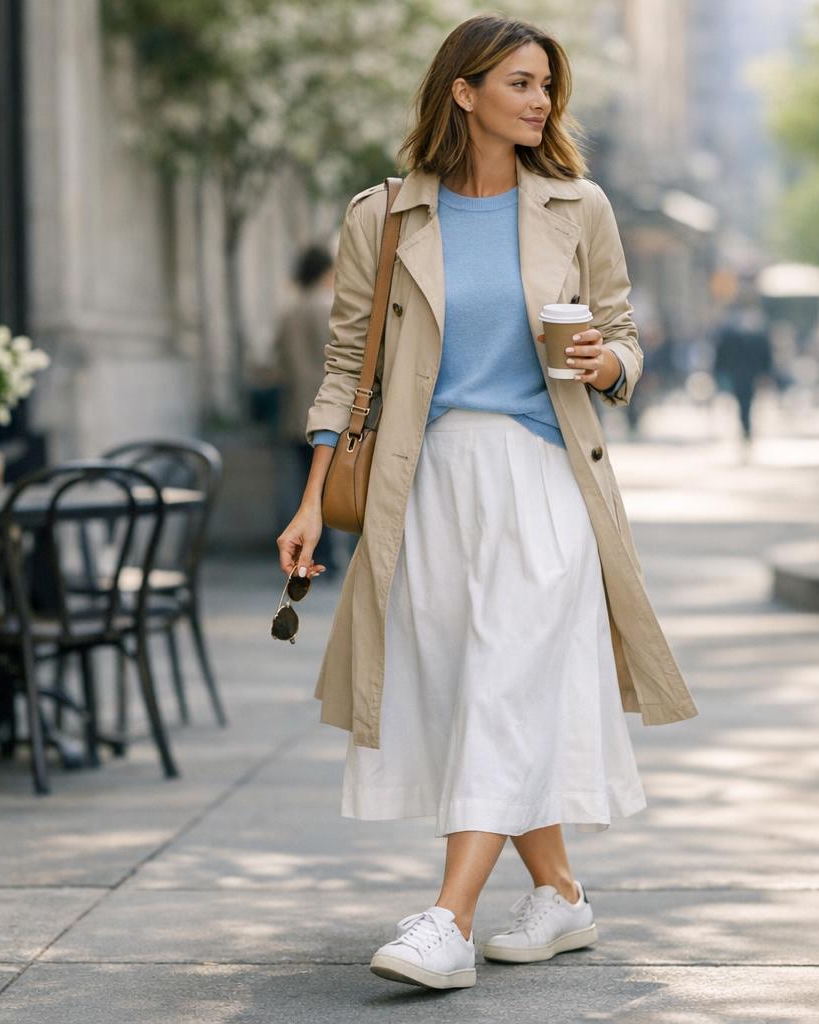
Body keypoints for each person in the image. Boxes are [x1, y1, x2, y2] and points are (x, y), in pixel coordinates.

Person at [274, 14, 699, 992]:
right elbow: (348, 366)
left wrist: (608, 360)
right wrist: (309, 501)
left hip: (545, 476)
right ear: (462, 90)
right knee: (474, 688)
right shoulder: (382, 216)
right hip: (423, 486)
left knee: (503, 680)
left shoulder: (577, 205)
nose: (542, 100)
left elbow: (628, 334)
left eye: (548, 84)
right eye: (519, 81)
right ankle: (562, 894)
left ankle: (447, 920)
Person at [271, 244, 354, 570]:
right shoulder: (326, 307)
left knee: (302, 485)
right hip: (326, 412)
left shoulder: (288, 312)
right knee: (328, 488)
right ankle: (329, 556)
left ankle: (297, 549)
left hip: (293, 411)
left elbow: (276, 360)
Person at [712, 278, 774, 453]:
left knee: (745, 401)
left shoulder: (747, 323)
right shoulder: (742, 323)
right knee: (744, 401)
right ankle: (746, 428)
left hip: (742, 370)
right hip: (742, 370)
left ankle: (746, 427)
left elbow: (764, 350)